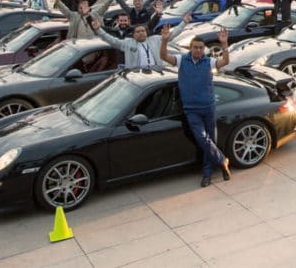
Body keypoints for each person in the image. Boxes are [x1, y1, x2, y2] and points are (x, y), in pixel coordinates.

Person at [158, 26, 231, 187]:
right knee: (202, 138)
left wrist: (224, 45)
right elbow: (163, 55)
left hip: (208, 108)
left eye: (200, 48)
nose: (198, 50)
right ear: (190, 48)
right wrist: (164, 40)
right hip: (192, 110)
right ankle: (222, 160)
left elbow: (225, 61)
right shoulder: (181, 60)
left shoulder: (208, 61)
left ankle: (207, 174)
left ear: (203, 49)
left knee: (209, 140)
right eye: (195, 47)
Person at [91, 11, 190, 68]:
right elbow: (111, 40)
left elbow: (171, 35)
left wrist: (184, 23)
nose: (141, 32)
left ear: (146, 33)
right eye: (138, 32)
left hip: (156, 73)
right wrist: (98, 30)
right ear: (133, 35)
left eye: (143, 30)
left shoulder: (155, 39)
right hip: (138, 77)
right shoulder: (127, 43)